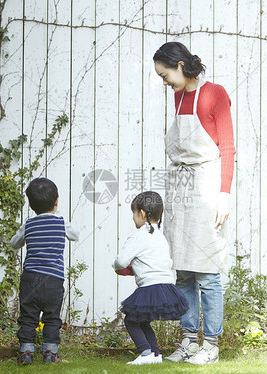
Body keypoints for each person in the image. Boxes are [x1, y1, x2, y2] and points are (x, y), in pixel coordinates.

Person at [153, 41, 236, 365]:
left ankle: (211, 345)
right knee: (184, 272)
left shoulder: (214, 93)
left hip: (208, 185)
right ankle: (189, 341)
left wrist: (224, 195)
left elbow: (227, 148)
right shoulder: (178, 96)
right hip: (182, 186)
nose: (164, 81)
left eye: (165, 74)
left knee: (207, 271)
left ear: (180, 66)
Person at [113, 191, 188, 366]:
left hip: (149, 286)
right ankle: (155, 354)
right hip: (166, 286)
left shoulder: (138, 236)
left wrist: (119, 267)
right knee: (142, 320)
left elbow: (121, 261)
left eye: (134, 212)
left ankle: (145, 353)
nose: (133, 217)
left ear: (142, 213)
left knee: (130, 320)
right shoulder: (160, 236)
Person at [10, 177, 79, 365]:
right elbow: (75, 235)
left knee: (28, 317)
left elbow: (14, 243)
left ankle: (26, 352)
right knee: (51, 316)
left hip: (30, 278)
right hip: (53, 280)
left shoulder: (29, 225)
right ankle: (50, 352)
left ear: (31, 205)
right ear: (57, 201)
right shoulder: (61, 222)